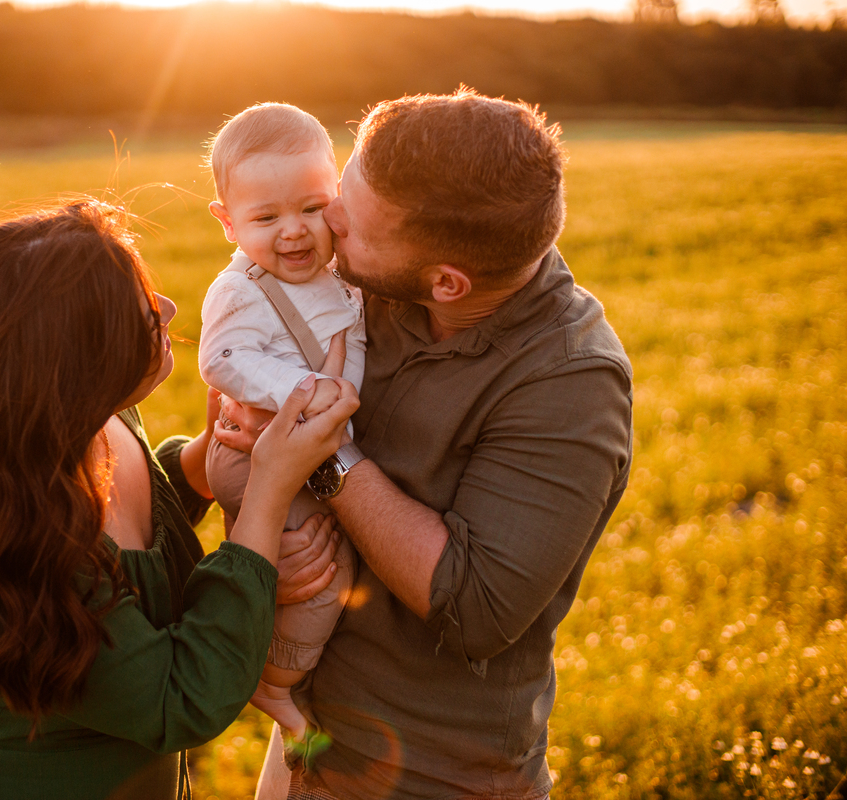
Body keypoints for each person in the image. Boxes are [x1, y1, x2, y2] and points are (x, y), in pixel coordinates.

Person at [0, 199, 358, 799]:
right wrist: (267, 498)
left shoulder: (100, 424)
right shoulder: (22, 549)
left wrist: (208, 455)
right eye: (141, 313)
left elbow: (137, 511)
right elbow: (180, 698)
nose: (168, 309)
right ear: (73, 371)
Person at [217, 90, 634, 800]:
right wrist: (266, 543)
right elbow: (237, 409)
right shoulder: (363, 278)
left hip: (433, 776)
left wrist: (326, 458)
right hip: (306, 745)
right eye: (339, 189)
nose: (328, 222)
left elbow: (473, 608)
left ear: (446, 282)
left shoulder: (570, 381)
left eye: (348, 218)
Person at [199, 103, 365, 740]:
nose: (293, 232)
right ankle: (274, 680)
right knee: (322, 575)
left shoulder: (334, 279)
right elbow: (223, 359)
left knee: (333, 561)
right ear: (228, 222)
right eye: (266, 218)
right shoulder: (240, 289)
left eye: (312, 208)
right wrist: (305, 390)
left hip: (306, 447)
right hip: (256, 454)